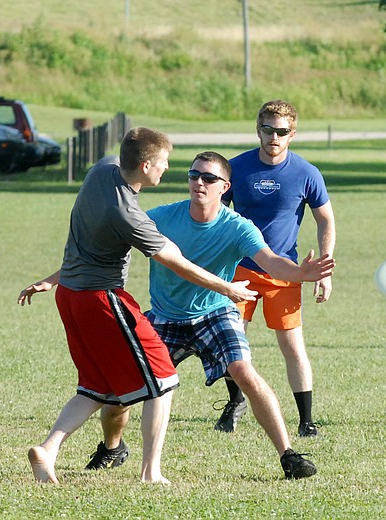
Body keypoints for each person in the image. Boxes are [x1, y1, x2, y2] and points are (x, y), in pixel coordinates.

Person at [18, 129, 257, 484]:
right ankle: (151, 472)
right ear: (146, 166)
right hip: (102, 299)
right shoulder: (130, 216)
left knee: (98, 385)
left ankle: (48, 449)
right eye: (163, 163)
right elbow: (177, 262)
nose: (168, 169)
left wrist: (52, 279)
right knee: (164, 379)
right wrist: (227, 288)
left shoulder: (101, 169)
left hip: (68, 294)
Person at [88, 151, 334, 479]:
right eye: (193, 176)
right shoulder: (162, 217)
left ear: (225, 187)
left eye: (208, 178)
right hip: (165, 317)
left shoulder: (237, 227)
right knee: (120, 394)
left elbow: (271, 262)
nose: (198, 183)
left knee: (245, 371)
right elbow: (111, 241)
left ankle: (288, 455)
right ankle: (113, 447)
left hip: (215, 313)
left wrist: (301, 273)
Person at [219, 99, 336, 437]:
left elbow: (326, 219)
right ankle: (235, 401)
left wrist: (324, 270)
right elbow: (215, 216)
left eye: (281, 131)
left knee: (292, 345)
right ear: (258, 130)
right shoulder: (236, 168)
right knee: (232, 340)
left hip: (283, 273)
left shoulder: (306, 173)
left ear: (292, 134)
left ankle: (306, 419)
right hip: (237, 270)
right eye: (267, 129)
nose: (274, 137)